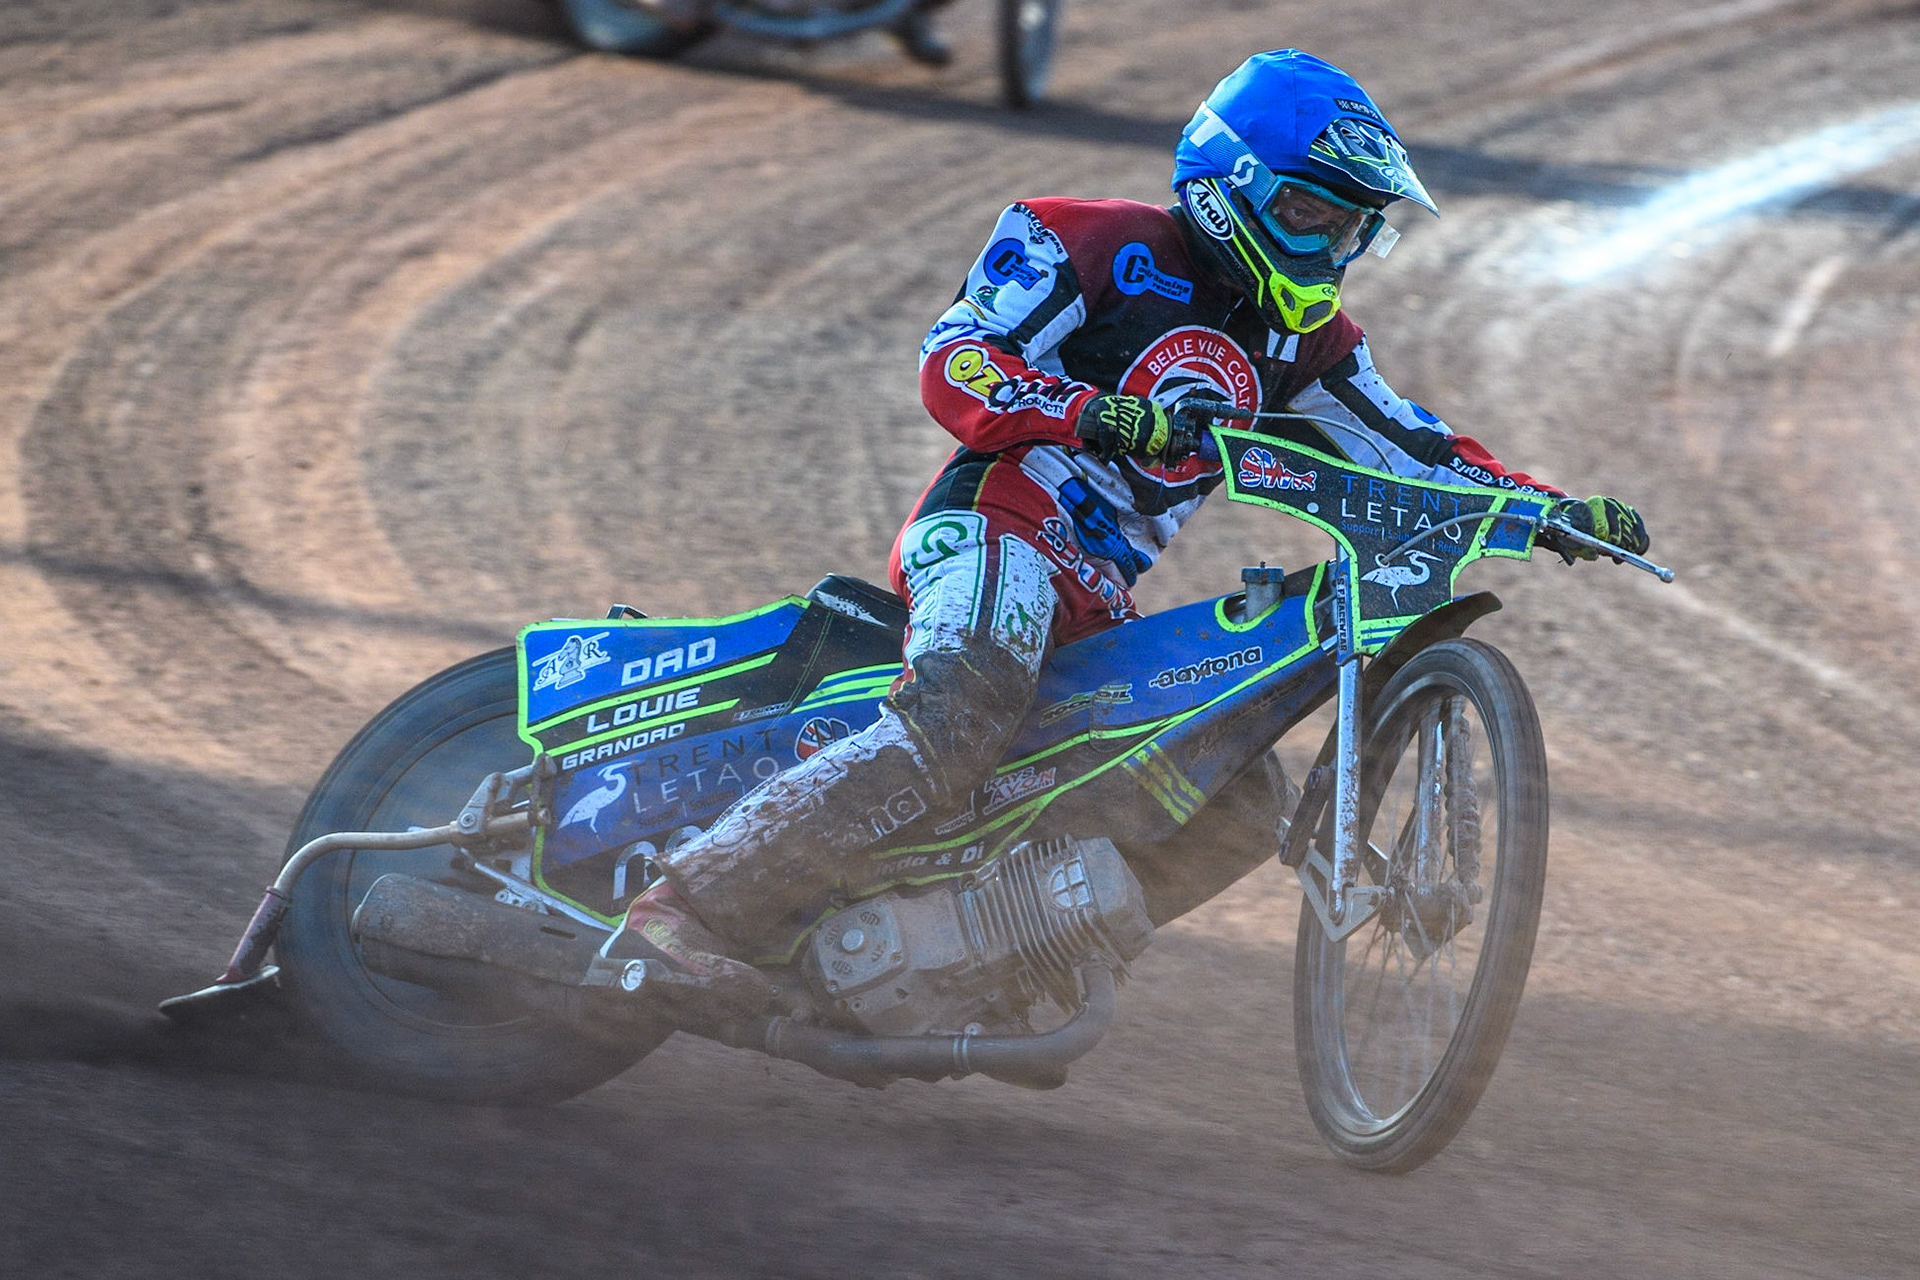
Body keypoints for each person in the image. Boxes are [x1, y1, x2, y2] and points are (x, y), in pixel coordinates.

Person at [603, 49, 1650, 1017]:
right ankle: (684, 910)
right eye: (1307, 212)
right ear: (1231, 182)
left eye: (1348, 229)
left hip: (1097, 596)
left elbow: (1414, 448)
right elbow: (956, 358)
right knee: (965, 702)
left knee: (1236, 796)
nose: (1328, 247)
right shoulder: (1091, 241)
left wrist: (1545, 509)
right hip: (994, 527)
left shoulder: (1307, 344)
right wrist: (1089, 411)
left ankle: (986, 958)